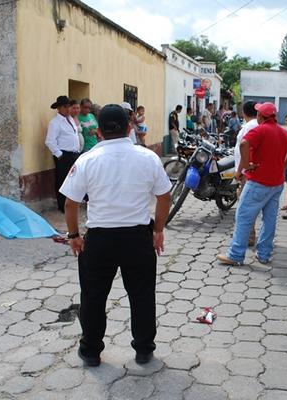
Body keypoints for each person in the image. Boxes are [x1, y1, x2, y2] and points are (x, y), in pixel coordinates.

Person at [59, 104, 172, 367]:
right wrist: (158, 230)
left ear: (98, 132)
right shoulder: (148, 158)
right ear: (129, 128)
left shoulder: (86, 160)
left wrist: (74, 235)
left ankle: (90, 350)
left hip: (100, 240)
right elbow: (164, 195)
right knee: (142, 295)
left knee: (94, 295)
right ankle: (144, 349)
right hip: (137, 238)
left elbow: (70, 203)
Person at [217, 102, 287, 265]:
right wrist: (284, 165)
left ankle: (235, 255)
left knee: (243, 216)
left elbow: (244, 144)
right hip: (276, 184)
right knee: (269, 220)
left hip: (259, 182)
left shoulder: (260, 130)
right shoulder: (283, 133)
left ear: (261, 116)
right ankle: (264, 254)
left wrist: (245, 165)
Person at [45, 95, 82, 212]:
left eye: (68, 106)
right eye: (65, 107)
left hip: (74, 154)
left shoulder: (70, 119)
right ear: (59, 108)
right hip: (64, 155)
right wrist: (60, 155)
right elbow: (50, 141)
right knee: (62, 180)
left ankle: (72, 203)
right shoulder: (55, 122)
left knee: (74, 179)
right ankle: (62, 206)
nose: (68, 109)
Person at [234, 101, 258, 247]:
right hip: (248, 170)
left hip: (246, 172)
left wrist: (240, 171)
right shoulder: (253, 125)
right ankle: (249, 236)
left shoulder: (250, 126)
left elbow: (245, 149)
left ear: (244, 112)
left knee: (245, 207)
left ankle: (248, 238)